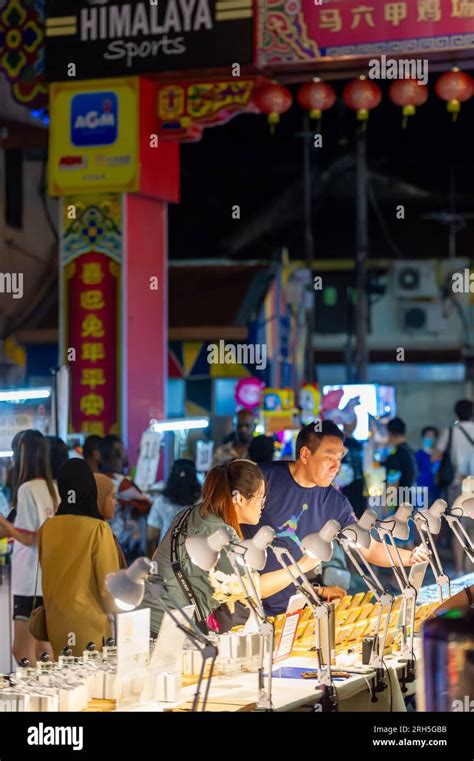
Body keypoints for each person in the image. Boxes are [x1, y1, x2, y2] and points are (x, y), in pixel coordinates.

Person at [243, 421, 429, 617]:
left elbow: (369, 547)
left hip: (295, 608)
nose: (336, 467)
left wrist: (411, 556)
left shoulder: (334, 501)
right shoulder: (263, 479)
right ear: (305, 454)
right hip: (248, 603)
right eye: (329, 457)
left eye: (339, 459)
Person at [38, 459, 120, 658]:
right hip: (89, 624)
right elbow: (109, 586)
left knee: (65, 682)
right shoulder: (98, 529)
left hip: (56, 622)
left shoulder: (47, 528)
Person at [0, 430, 59, 665]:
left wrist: (4, 522)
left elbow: (27, 537)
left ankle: (38, 698)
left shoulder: (26, 490)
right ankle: (52, 695)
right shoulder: (51, 488)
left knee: (22, 651)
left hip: (29, 582)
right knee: (43, 648)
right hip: (47, 577)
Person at [434, 399, 474, 574]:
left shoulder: (450, 431)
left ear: (456, 414)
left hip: (458, 485)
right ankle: (470, 567)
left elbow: (436, 455)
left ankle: (458, 569)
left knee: (458, 527)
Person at [99, 434, 152, 564]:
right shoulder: (122, 484)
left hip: (105, 545)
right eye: (123, 449)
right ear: (118, 452)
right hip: (126, 548)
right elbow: (147, 504)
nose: (126, 453)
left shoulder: (97, 480)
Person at [147, 459, 201, 558]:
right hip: (196, 556)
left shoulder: (161, 501)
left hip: (166, 556)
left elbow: (152, 535)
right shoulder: (202, 502)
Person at [382, 417, 418, 490]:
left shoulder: (396, 455)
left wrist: (388, 500)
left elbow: (392, 485)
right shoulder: (410, 451)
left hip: (400, 499)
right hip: (411, 497)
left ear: (389, 433)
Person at [340, 420, 366, 519]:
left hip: (359, 482)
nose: (353, 423)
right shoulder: (340, 441)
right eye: (351, 420)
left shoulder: (357, 443)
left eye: (355, 421)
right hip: (344, 484)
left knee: (360, 510)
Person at [416, 426, 440, 506]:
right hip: (420, 490)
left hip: (435, 490)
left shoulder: (438, 455)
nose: (430, 438)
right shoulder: (418, 454)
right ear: (423, 437)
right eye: (428, 435)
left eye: (432, 436)